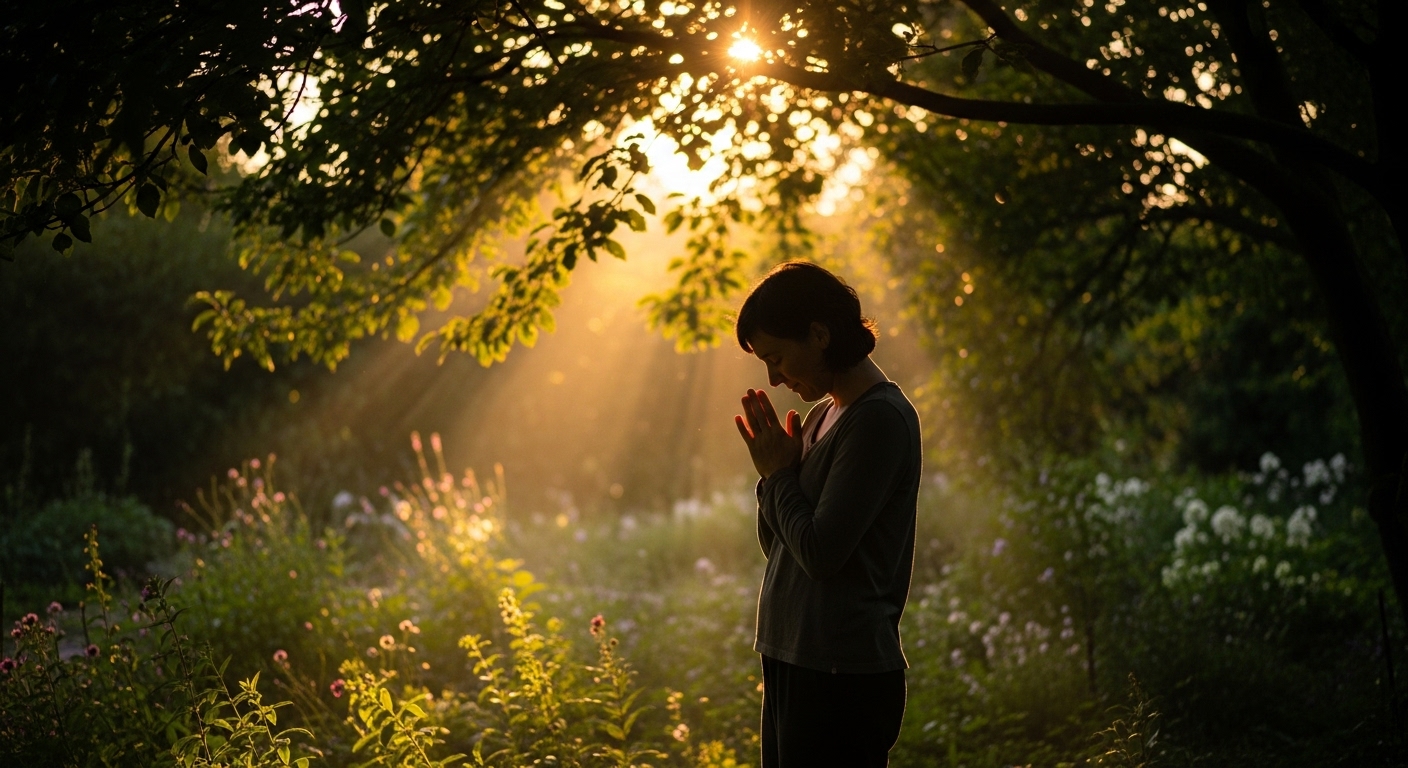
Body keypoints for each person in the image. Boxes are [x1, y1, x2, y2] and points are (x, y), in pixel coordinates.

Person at [733, 261, 922, 768]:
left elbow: (820, 553)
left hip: (839, 673)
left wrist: (778, 478)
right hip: (793, 655)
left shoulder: (877, 420)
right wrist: (775, 477)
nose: (774, 379)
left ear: (818, 334)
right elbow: (780, 549)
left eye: (777, 358)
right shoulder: (822, 414)